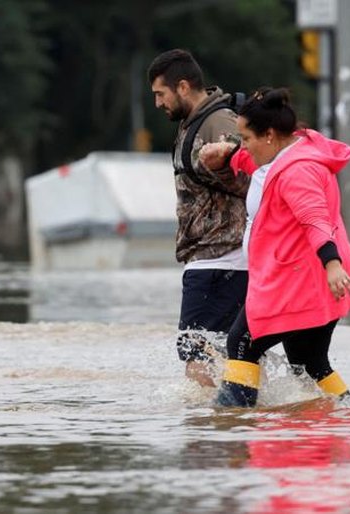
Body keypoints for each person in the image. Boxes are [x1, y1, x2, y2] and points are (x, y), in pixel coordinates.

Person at [199, 87, 350, 407]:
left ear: (270, 135)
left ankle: (231, 425)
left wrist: (332, 265)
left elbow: (315, 220)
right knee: (308, 361)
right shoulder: (289, 151)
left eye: (246, 138)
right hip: (308, 278)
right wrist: (228, 153)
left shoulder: (299, 171)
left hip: (302, 279)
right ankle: (347, 414)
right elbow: (256, 164)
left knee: (241, 343)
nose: (243, 146)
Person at [147, 49, 250, 387]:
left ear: (183, 87)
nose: (158, 103)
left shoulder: (217, 123)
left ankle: (205, 433)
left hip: (218, 260)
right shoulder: (196, 122)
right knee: (227, 353)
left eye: (160, 94)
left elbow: (254, 179)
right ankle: (236, 422)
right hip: (220, 261)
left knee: (196, 355)